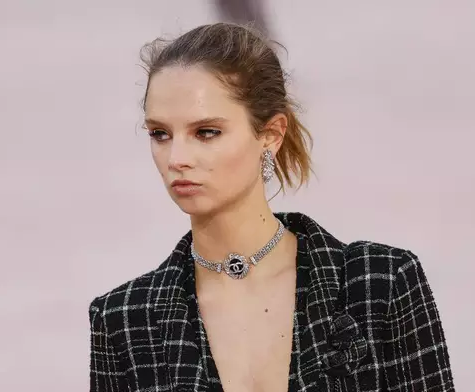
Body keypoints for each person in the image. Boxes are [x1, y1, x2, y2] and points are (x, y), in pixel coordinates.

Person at [88, 23, 454, 392]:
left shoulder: (380, 283)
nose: (177, 158)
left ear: (271, 134)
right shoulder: (123, 319)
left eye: (206, 132)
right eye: (160, 134)